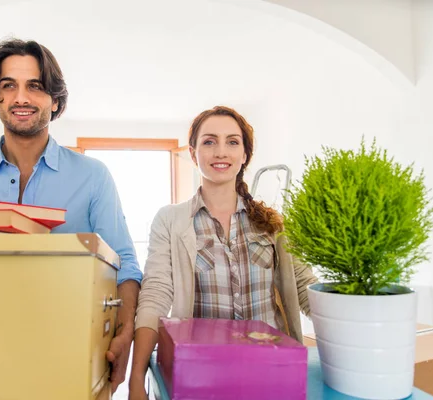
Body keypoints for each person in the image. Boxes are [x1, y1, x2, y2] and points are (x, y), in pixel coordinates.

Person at [0, 38, 141, 392]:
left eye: (35, 87)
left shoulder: (93, 176)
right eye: (8, 85)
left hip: (70, 358)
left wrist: (125, 333)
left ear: (54, 100)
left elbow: (126, 264)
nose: (21, 98)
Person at [128, 106, 318, 399]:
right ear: (193, 154)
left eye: (232, 142)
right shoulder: (171, 220)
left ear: (244, 156)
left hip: (273, 372)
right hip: (202, 377)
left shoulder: (273, 224)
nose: (221, 152)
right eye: (209, 141)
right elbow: (155, 294)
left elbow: (306, 289)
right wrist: (136, 378)